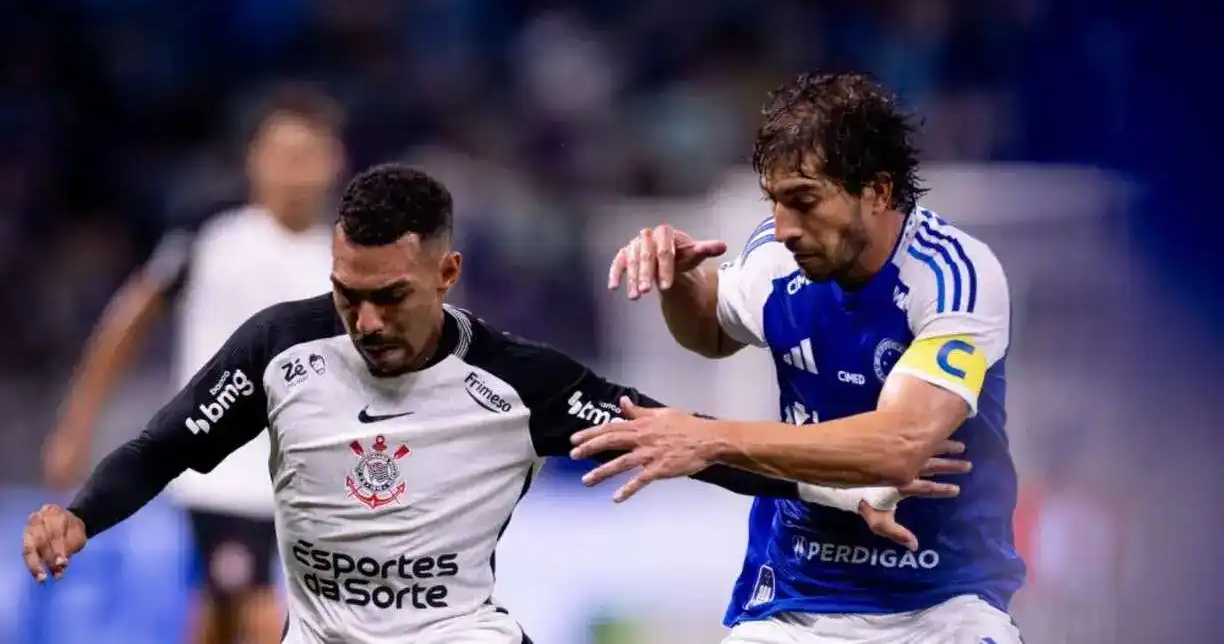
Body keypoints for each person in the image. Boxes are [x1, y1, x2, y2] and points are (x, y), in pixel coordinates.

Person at [22, 164, 968, 644]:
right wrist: (79, 512)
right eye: (347, 289)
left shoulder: (523, 382)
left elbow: (689, 446)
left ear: (447, 271)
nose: (363, 317)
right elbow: (165, 443)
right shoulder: (281, 345)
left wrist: (841, 494)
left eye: (389, 295)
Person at [584, 72, 1026, 643]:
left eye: (804, 200)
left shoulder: (955, 277)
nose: (784, 227)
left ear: (879, 192)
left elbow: (899, 446)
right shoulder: (778, 257)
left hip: (942, 603)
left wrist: (707, 438)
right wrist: (680, 282)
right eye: (775, 201)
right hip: (796, 599)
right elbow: (713, 331)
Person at [40, 84, 346, 644]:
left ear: (334, 163)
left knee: (220, 613)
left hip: (313, 474)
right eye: (283, 155)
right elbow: (127, 322)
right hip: (222, 470)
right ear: (254, 158)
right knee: (255, 610)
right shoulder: (212, 235)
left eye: (308, 157)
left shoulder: (346, 256)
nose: (294, 172)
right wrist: (75, 425)